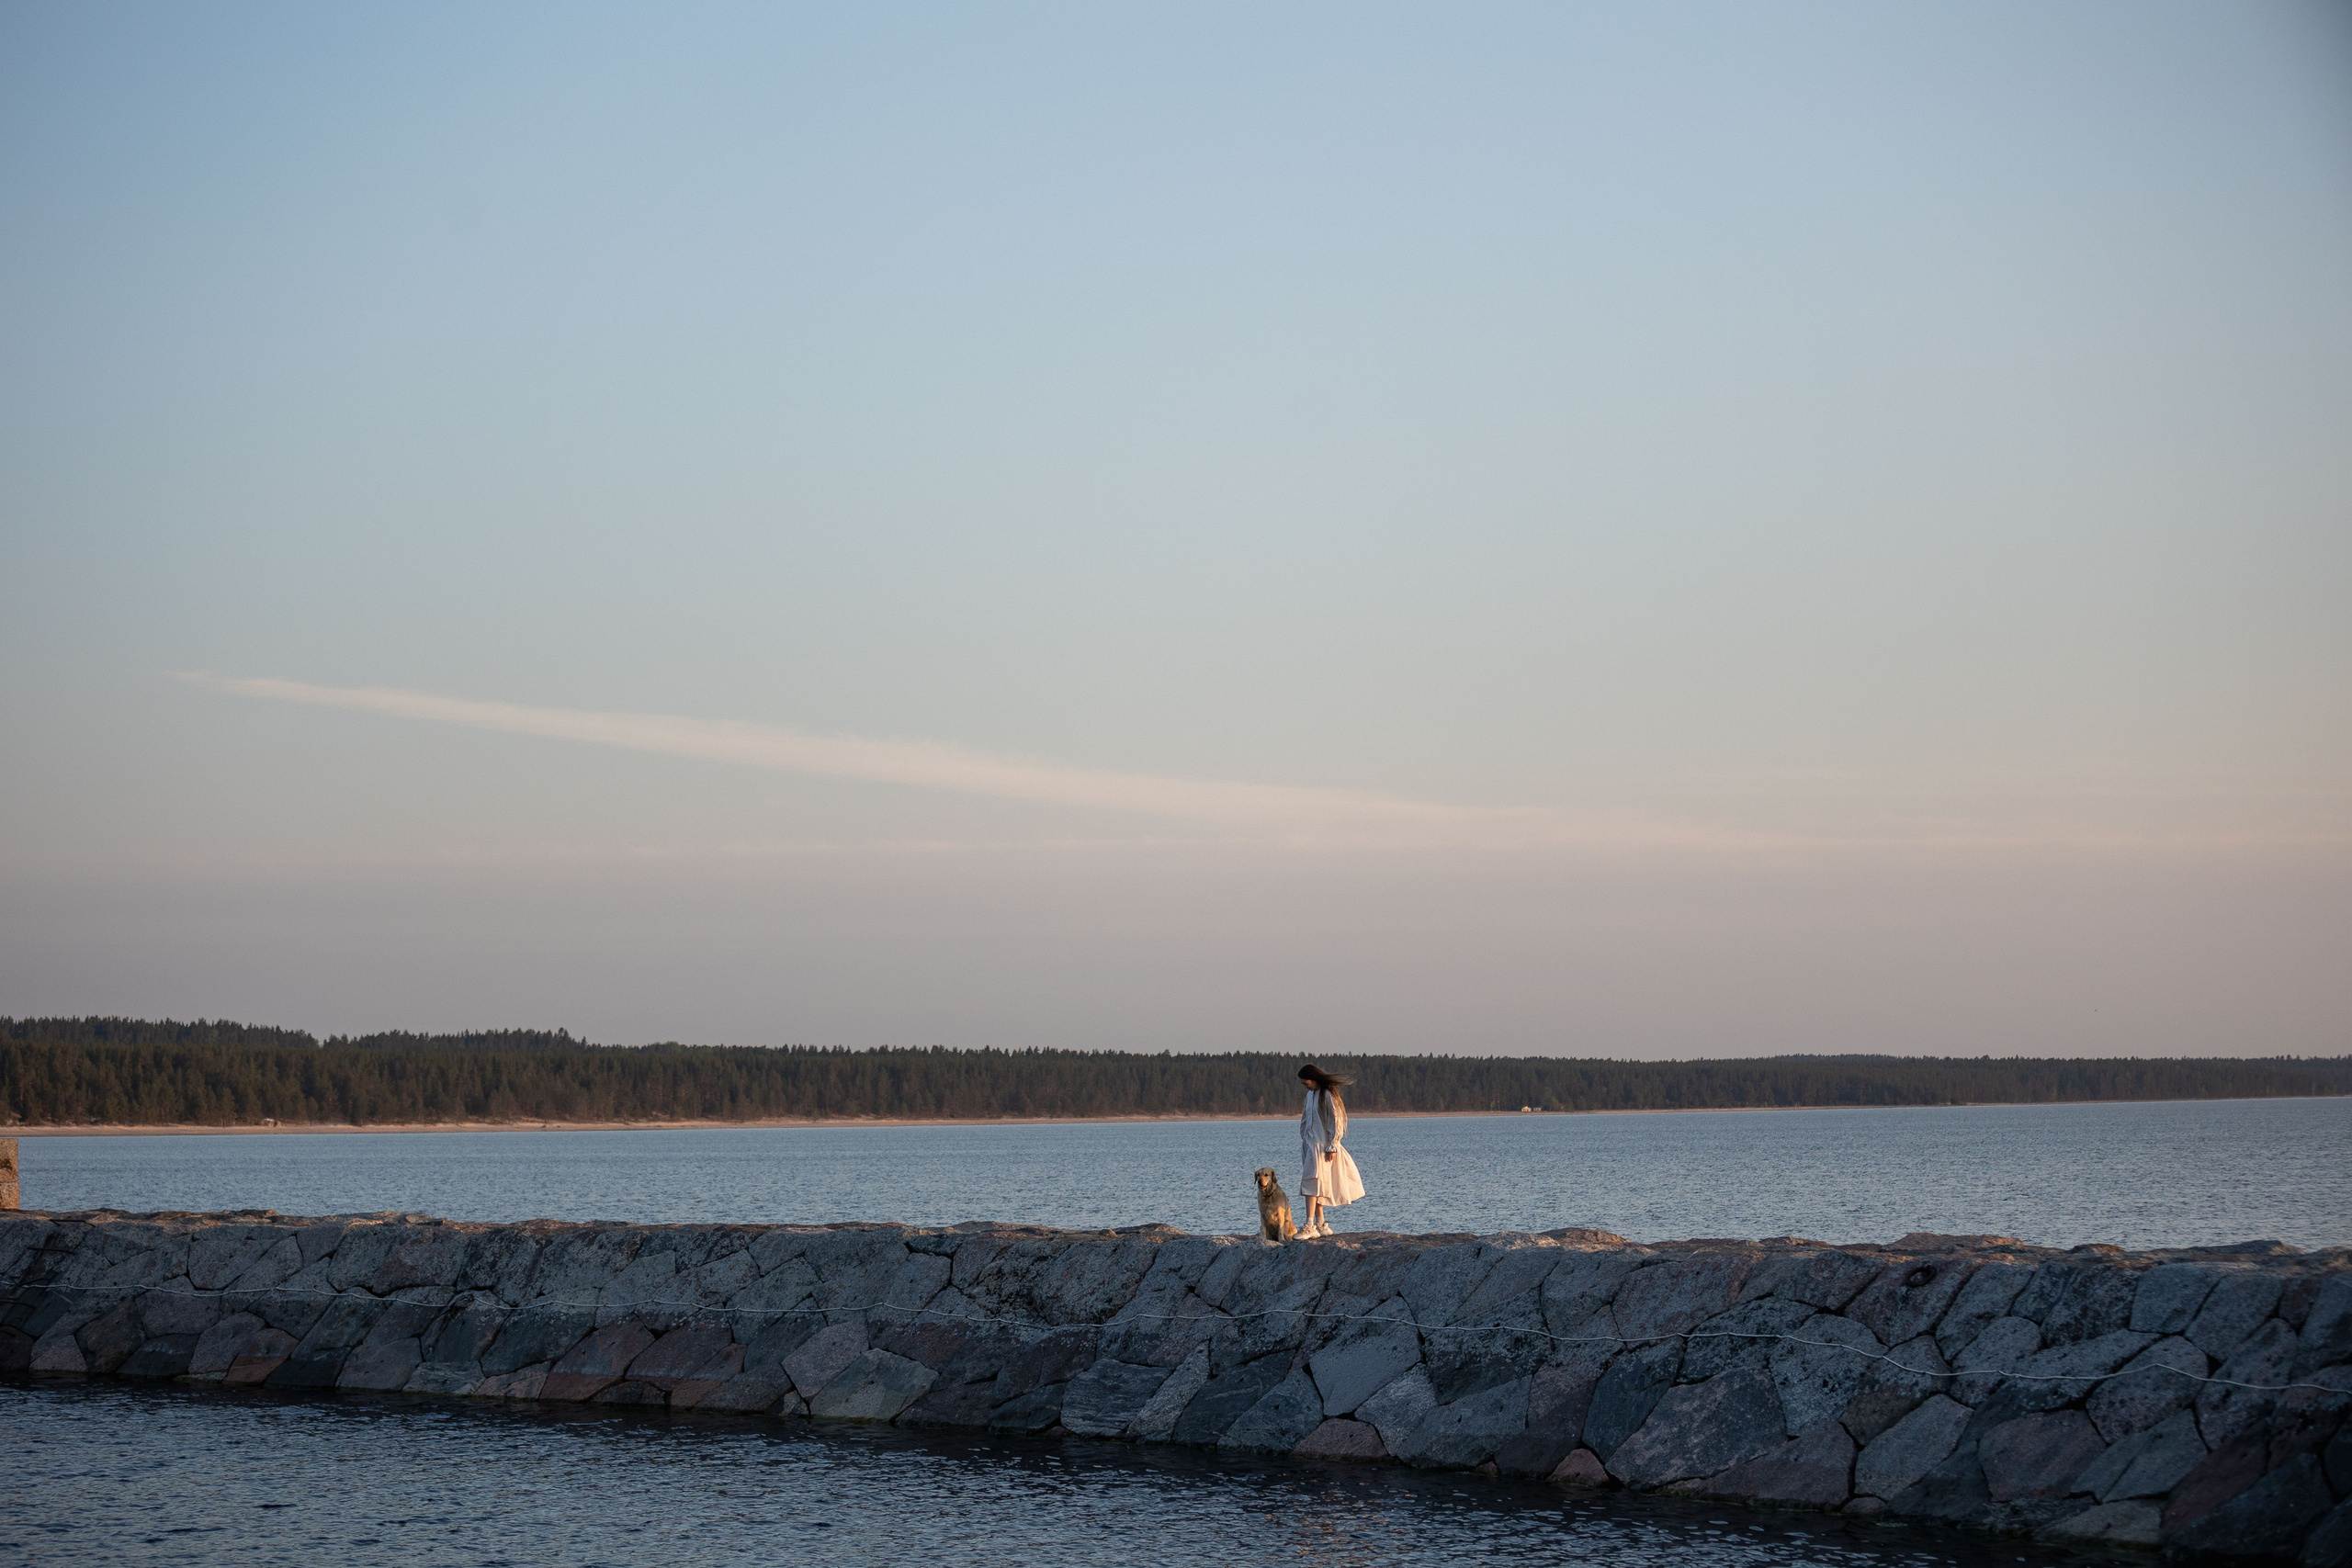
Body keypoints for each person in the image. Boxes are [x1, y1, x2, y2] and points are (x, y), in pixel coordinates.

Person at [1295, 1062, 1364, 1238]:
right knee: (1315, 1185)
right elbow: (1306, 1118)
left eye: (1307, 1083)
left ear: (1315, 1079)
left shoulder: (1327, 1095)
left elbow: (1337, 1120)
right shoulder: (1311, 1095)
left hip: (1321, 1147)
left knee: (1310, 1184)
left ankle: (1309, 1225)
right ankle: (1321, 1225)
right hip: (1310, 1145)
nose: (1305, 1087)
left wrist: (1333, 1144)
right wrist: (1303, 1137)